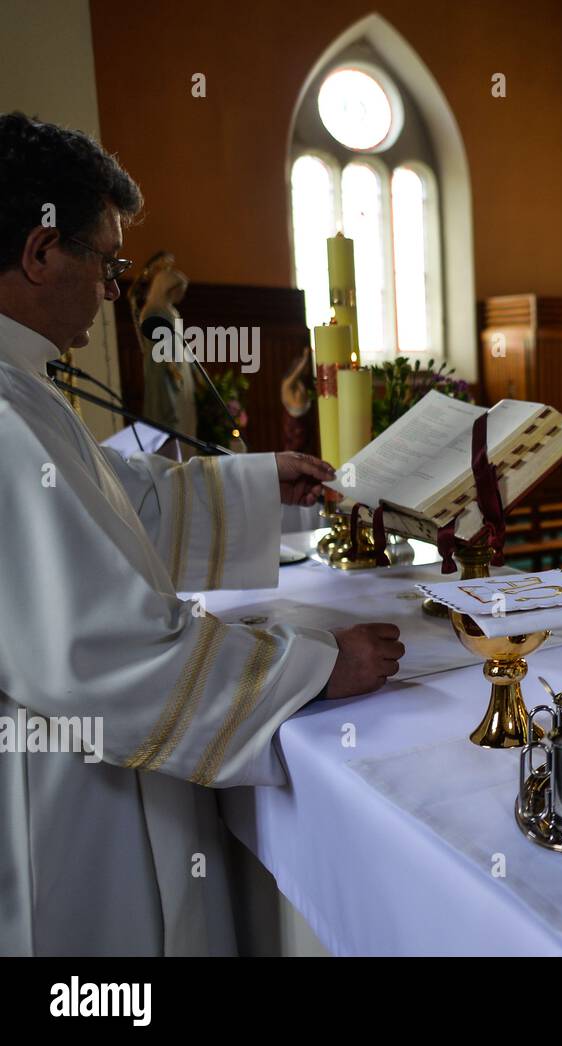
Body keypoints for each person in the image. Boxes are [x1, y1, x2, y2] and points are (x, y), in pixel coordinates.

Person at [0, 112, 406, 956]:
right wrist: (319, 667)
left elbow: (114, 512)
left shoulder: (22, 388)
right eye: (108, 263)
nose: (117, 287)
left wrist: (261, 488)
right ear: (41, 254)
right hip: (65, 796)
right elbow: (99, 645)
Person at [128, 249, 198, 452]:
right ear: (166, 288)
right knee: (168, 415)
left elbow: (181, 342)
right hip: (163, 369)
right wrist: (170, 365)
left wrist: (191, 366)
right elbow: (159, 344)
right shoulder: (152, 311)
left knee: (184, 418)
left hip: (178, 367)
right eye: (178, 290)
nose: (181, 294)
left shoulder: (171, 311)